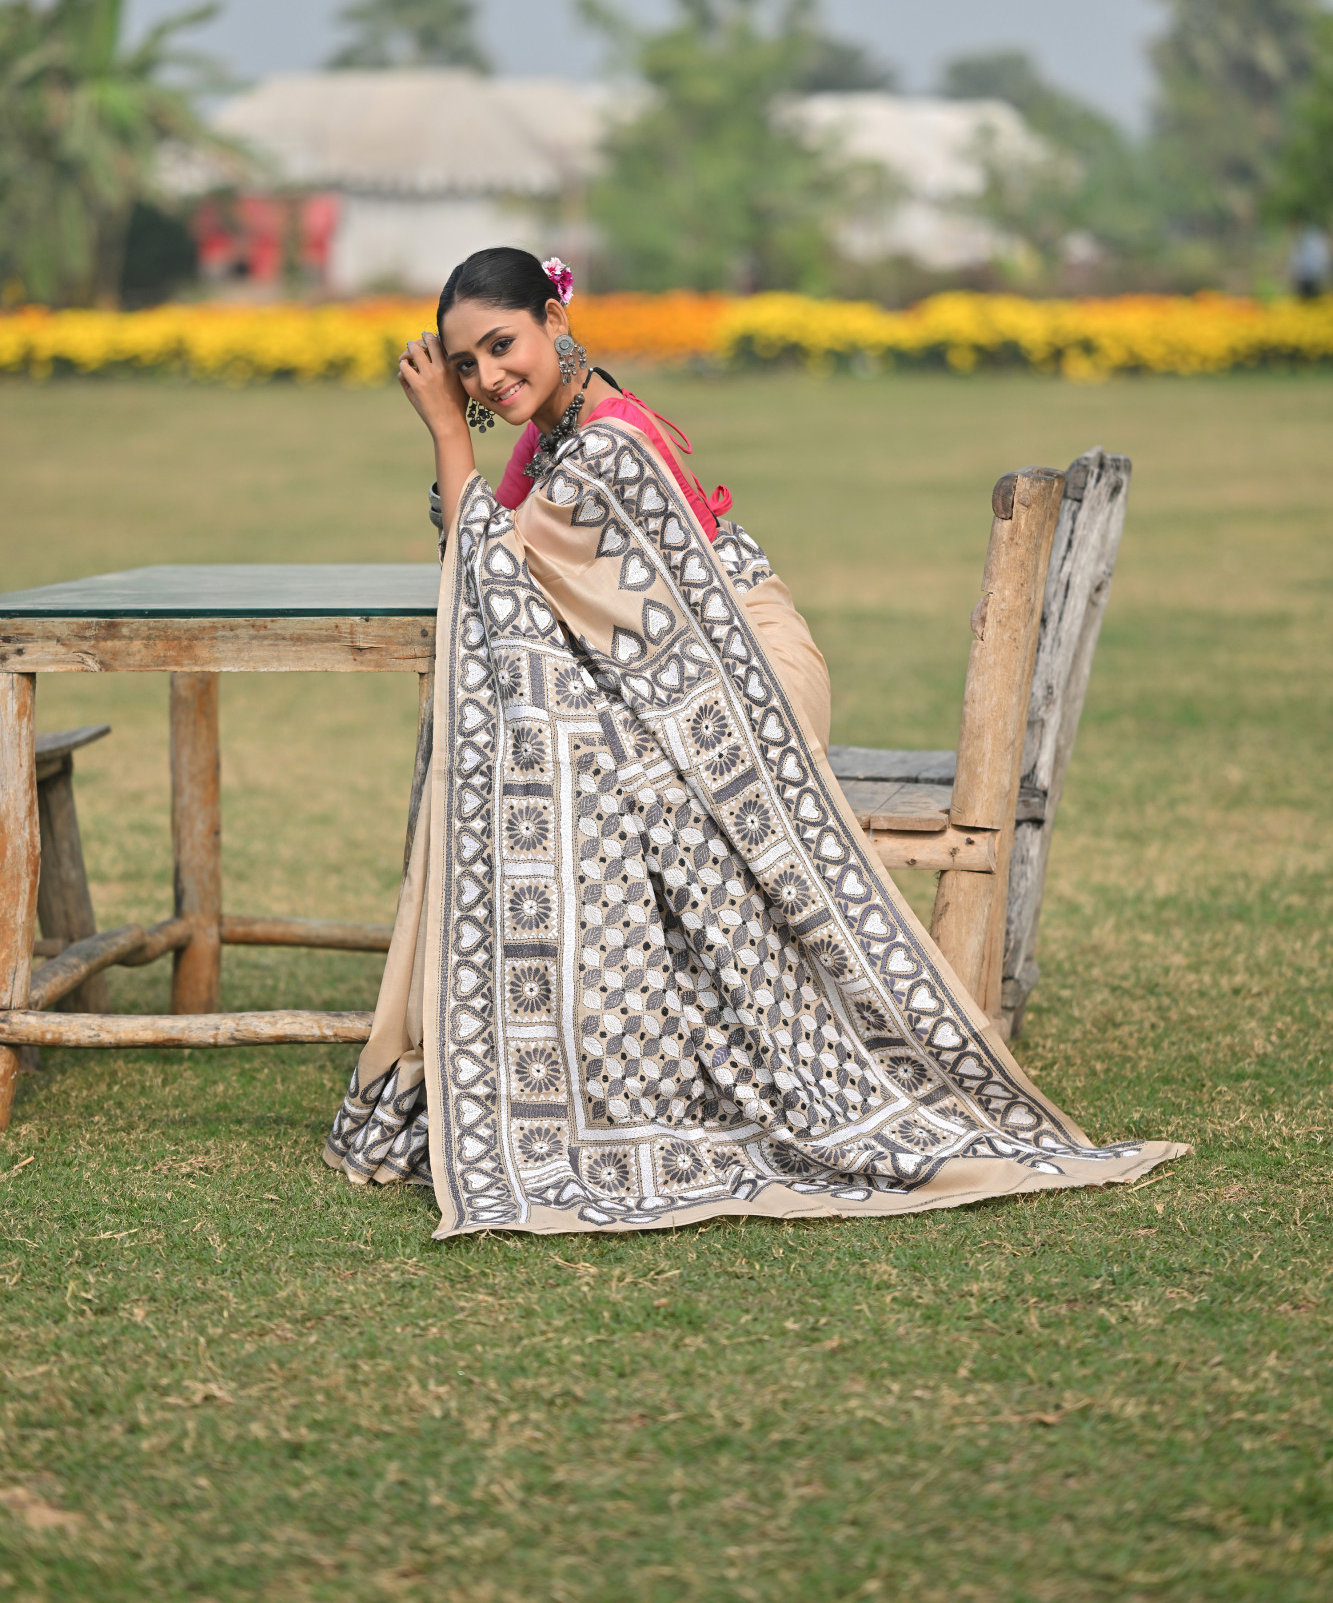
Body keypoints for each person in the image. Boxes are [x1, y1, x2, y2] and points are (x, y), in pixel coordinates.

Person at [325, 247, 1183, 1235]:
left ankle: (646, 1067)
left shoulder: (612, 443)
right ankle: (609, 1061)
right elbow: (488, 572)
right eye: (464, 365)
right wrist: (466, 459)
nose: (485, 377)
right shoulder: (551, 431)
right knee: (559, 763)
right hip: (665, 659)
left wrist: (445, 431)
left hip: (744, 661)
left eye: (501, 345)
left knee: (613, 788)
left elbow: (492, 565)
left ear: (555, 321)